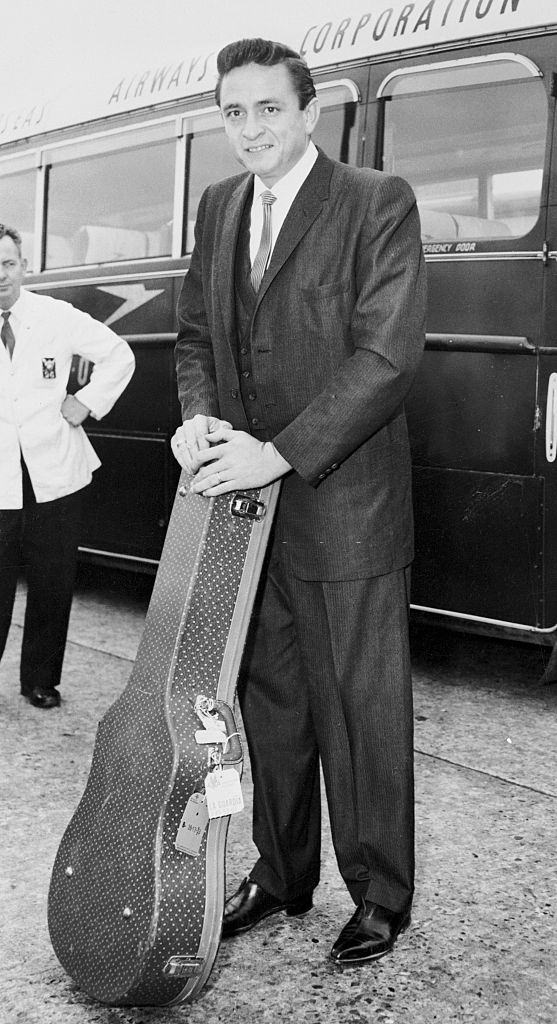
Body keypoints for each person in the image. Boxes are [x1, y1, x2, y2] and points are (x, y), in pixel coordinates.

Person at [172, 38, 426, 965]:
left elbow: (386, 358)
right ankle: (282, 876)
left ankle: (379, 896)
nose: (249, 131)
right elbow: (196, 334)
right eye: (232, 113)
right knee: (268, 704)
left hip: (343, 508)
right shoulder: (218, 205)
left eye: (267, 110)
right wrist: (199, 420)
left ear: (310, 111)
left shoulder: (374, 203)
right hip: (247, 515)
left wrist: (277, 454)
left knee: (360, 710)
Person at [0, 224, 135, 709]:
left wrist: (87, 402)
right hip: (0, 481)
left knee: (53, 582)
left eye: (8, 263)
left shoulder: (54, 314)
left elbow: (119, 355)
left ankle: (40, 680)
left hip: (55, 474)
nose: (1, 275)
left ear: (24, 266)